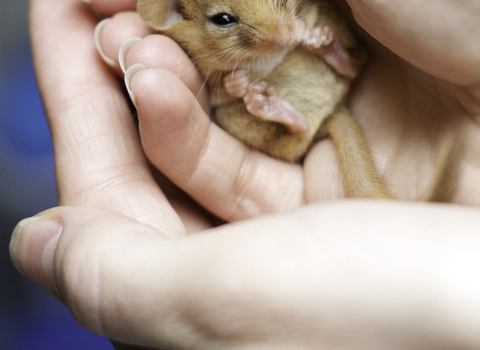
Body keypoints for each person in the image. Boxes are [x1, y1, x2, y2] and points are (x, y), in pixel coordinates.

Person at [10, 0, 480, 349]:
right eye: (224, 19)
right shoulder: (195, 48)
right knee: (226, 110)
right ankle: (289, 116)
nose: (275, 28)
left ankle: (317, 82)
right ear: (174, 16)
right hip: (288, 119)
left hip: (329, 84)